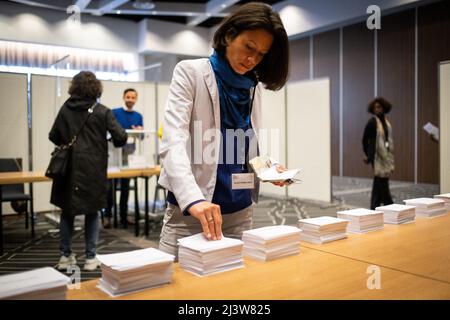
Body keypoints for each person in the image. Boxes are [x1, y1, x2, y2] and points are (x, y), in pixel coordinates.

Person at [158, 2, 290, 258]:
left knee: (232, 288)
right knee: (177, 290)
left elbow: (245, 143)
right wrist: (193, 200)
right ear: (229, 35)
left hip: (239, 210)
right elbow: (172, 141)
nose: (252, 59)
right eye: (249, 47)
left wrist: (267, 168)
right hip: (193, 210)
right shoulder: (190, 72)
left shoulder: (254, 86)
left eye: (261, 54)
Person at [49, 71, 127, 271]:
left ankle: (65, 255)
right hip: (93, 169)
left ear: (74, 87)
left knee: (67, 212)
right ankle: (91, 258)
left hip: (68, 169)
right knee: (93, 212)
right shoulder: (102, 111)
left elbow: (53, 136)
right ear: (96, 88)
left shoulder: (65, 109)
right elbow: (121, 138)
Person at [103, 88, 143, 229]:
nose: (130, 99)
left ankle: (123, 216)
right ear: (124, 97)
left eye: (133, 97)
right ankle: (107, 216)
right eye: (128, 97)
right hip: (114, 155)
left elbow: (141, 136)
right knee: (109, 188)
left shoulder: (138, 116)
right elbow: (108, 132)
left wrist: (139, 132)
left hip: (128, 155)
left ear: (136, 99)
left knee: (125, 188)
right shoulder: (115, 113)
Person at [362, 97, 395, 210]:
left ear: (384, 108)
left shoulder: (386, 122)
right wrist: (367, 154)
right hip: (376, 156)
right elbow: (364, 139)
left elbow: (388, 139)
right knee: (381, 178)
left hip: (386, 155)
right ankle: (388, 203)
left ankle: (376, 205)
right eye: (375, 107)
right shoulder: (372, 122)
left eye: (379, 107)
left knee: (381, 179)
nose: (377, 109)